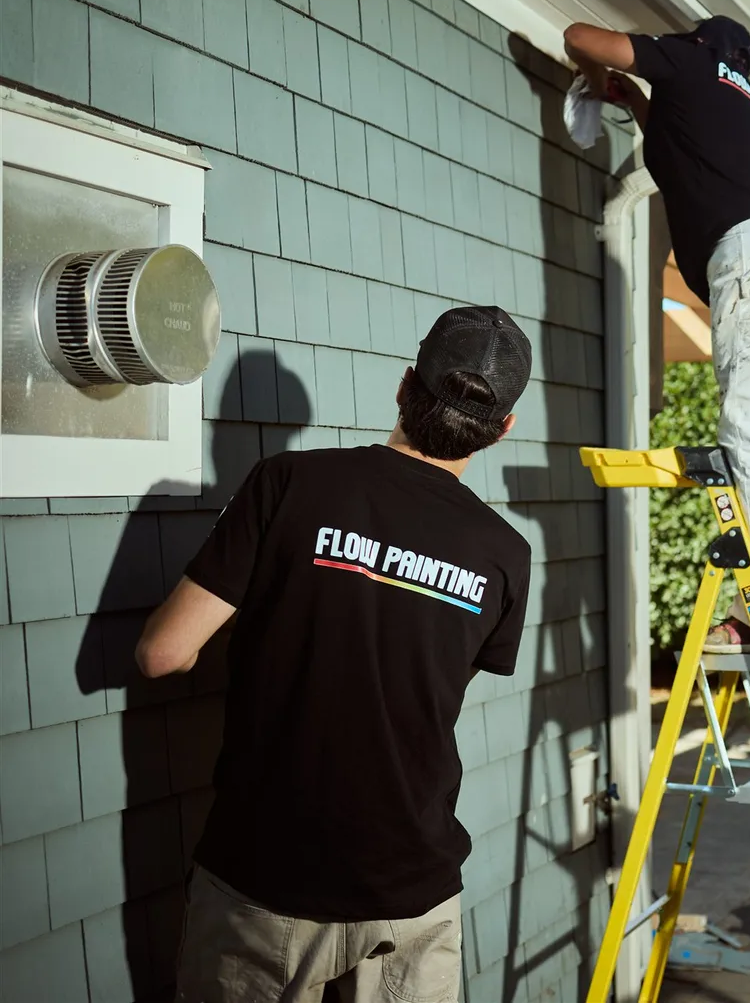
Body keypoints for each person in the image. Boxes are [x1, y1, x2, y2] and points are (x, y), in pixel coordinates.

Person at [136, 306, 534, 1001]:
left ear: (405, 386)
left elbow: (163, 653)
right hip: (416, 890)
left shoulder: (289, 484)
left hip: (269, 881)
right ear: (502, 428)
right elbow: (428, 671)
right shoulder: (506, 554)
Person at [557, 14, 750, 653]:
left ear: (701, 42)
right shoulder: (742, 103)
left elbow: (580, 35)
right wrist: (629, 97)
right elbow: (677, 145)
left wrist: (608, 69)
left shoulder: (688, 61)